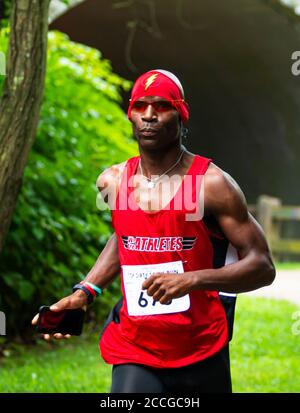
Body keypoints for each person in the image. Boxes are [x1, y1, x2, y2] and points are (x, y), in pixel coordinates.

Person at [32, 69, 276, 393]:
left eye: (161, 106)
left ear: (181, 114)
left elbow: (263, 266)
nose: (148, 116)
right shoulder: (112, 182)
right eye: (140, 106)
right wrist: (85, 292)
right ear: (130, 114)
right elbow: (124, 238)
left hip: (201, 345)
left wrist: (193, 280)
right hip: (136, 346)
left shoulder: (211, 184)